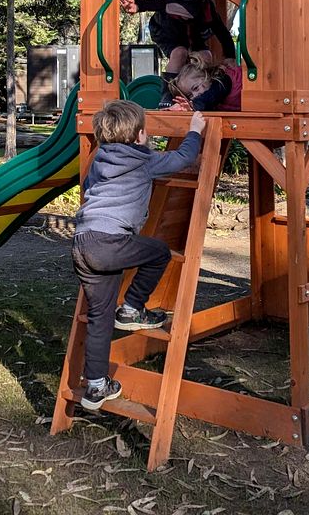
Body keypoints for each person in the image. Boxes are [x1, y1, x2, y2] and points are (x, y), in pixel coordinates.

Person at [72, 99, 206, 410]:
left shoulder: (99, 159)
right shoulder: (144, 161)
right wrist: (195, 130)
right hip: (109, 241)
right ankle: (132, 308)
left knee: (99, 317)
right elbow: (185, 156)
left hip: (82, 243)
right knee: (158, 251)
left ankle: (95, 386)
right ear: (140, 135)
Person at [120, 0, 236, 108]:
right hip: (166, 32)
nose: (180, 15)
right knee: (179, 53)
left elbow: (222, 32)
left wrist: (230, 56)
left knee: (206, 55)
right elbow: (154, 2)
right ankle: (166, 96)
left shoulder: (207, 9)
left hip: (195, 35)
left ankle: (205, 92)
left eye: (184, 11)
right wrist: (137, 5)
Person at [166, 51, 243, 112]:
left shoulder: (222, 81)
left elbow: (210, 96)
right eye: (190, 96)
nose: (195, 95)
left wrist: (193, 105)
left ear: (207, 77)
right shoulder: (211, 99)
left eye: (195, 88)